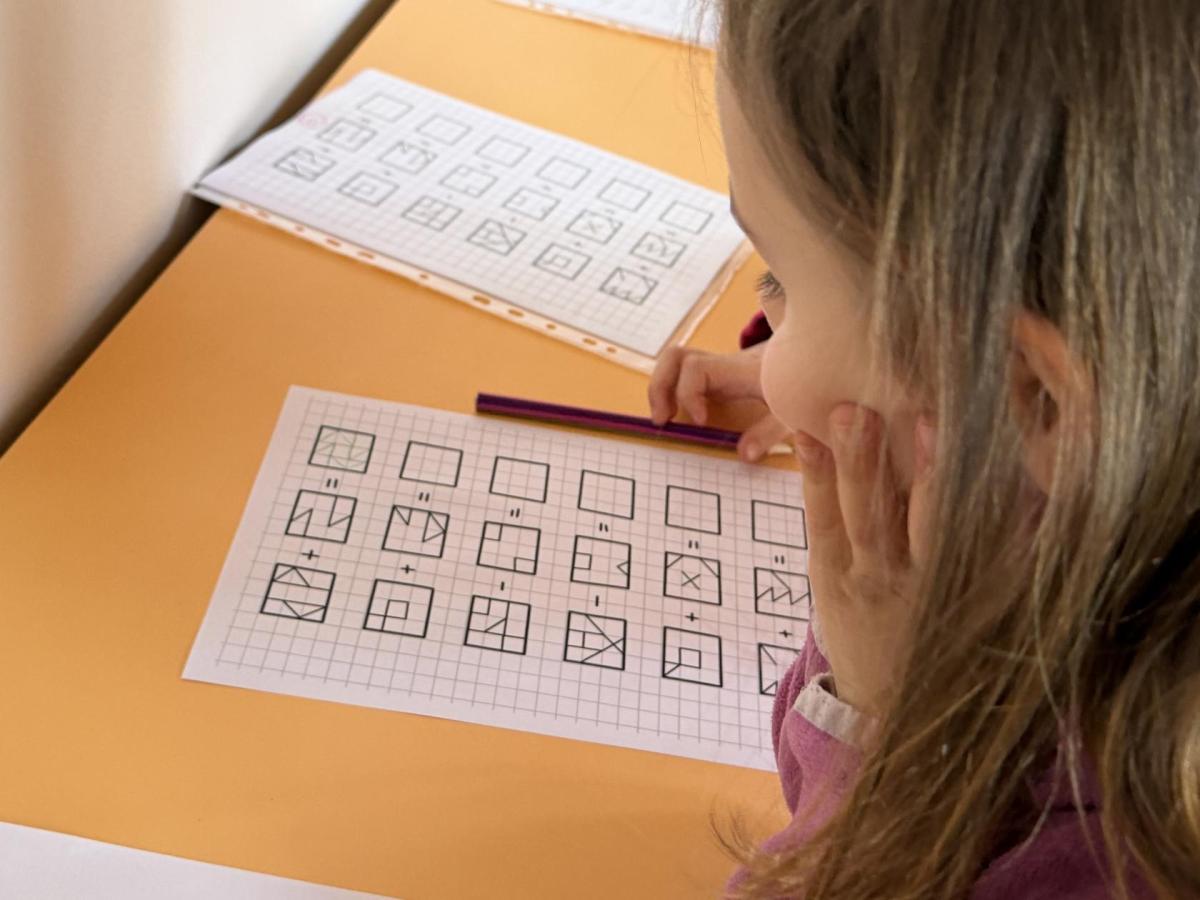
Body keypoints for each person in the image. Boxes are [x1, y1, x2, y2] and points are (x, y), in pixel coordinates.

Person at [649, 2, 1200, 896]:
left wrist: (889, 720)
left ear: (1029, 394)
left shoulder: (1107, 851)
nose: (764, 325)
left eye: (778, 277)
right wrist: (829, 356)